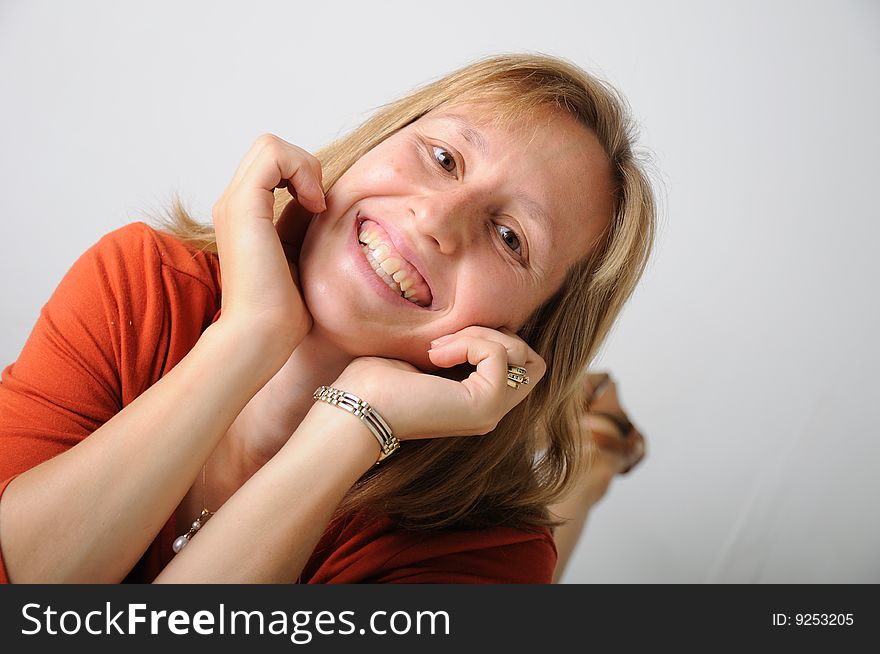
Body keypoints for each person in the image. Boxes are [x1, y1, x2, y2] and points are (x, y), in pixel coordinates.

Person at [0, 53, 655, 583]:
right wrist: (248, 332)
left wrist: (354, 420)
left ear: (525, 331)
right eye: (445, 157)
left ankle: (591, 452)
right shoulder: (141, 283)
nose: (435, 220)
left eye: (510, 237)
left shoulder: (490, 556)